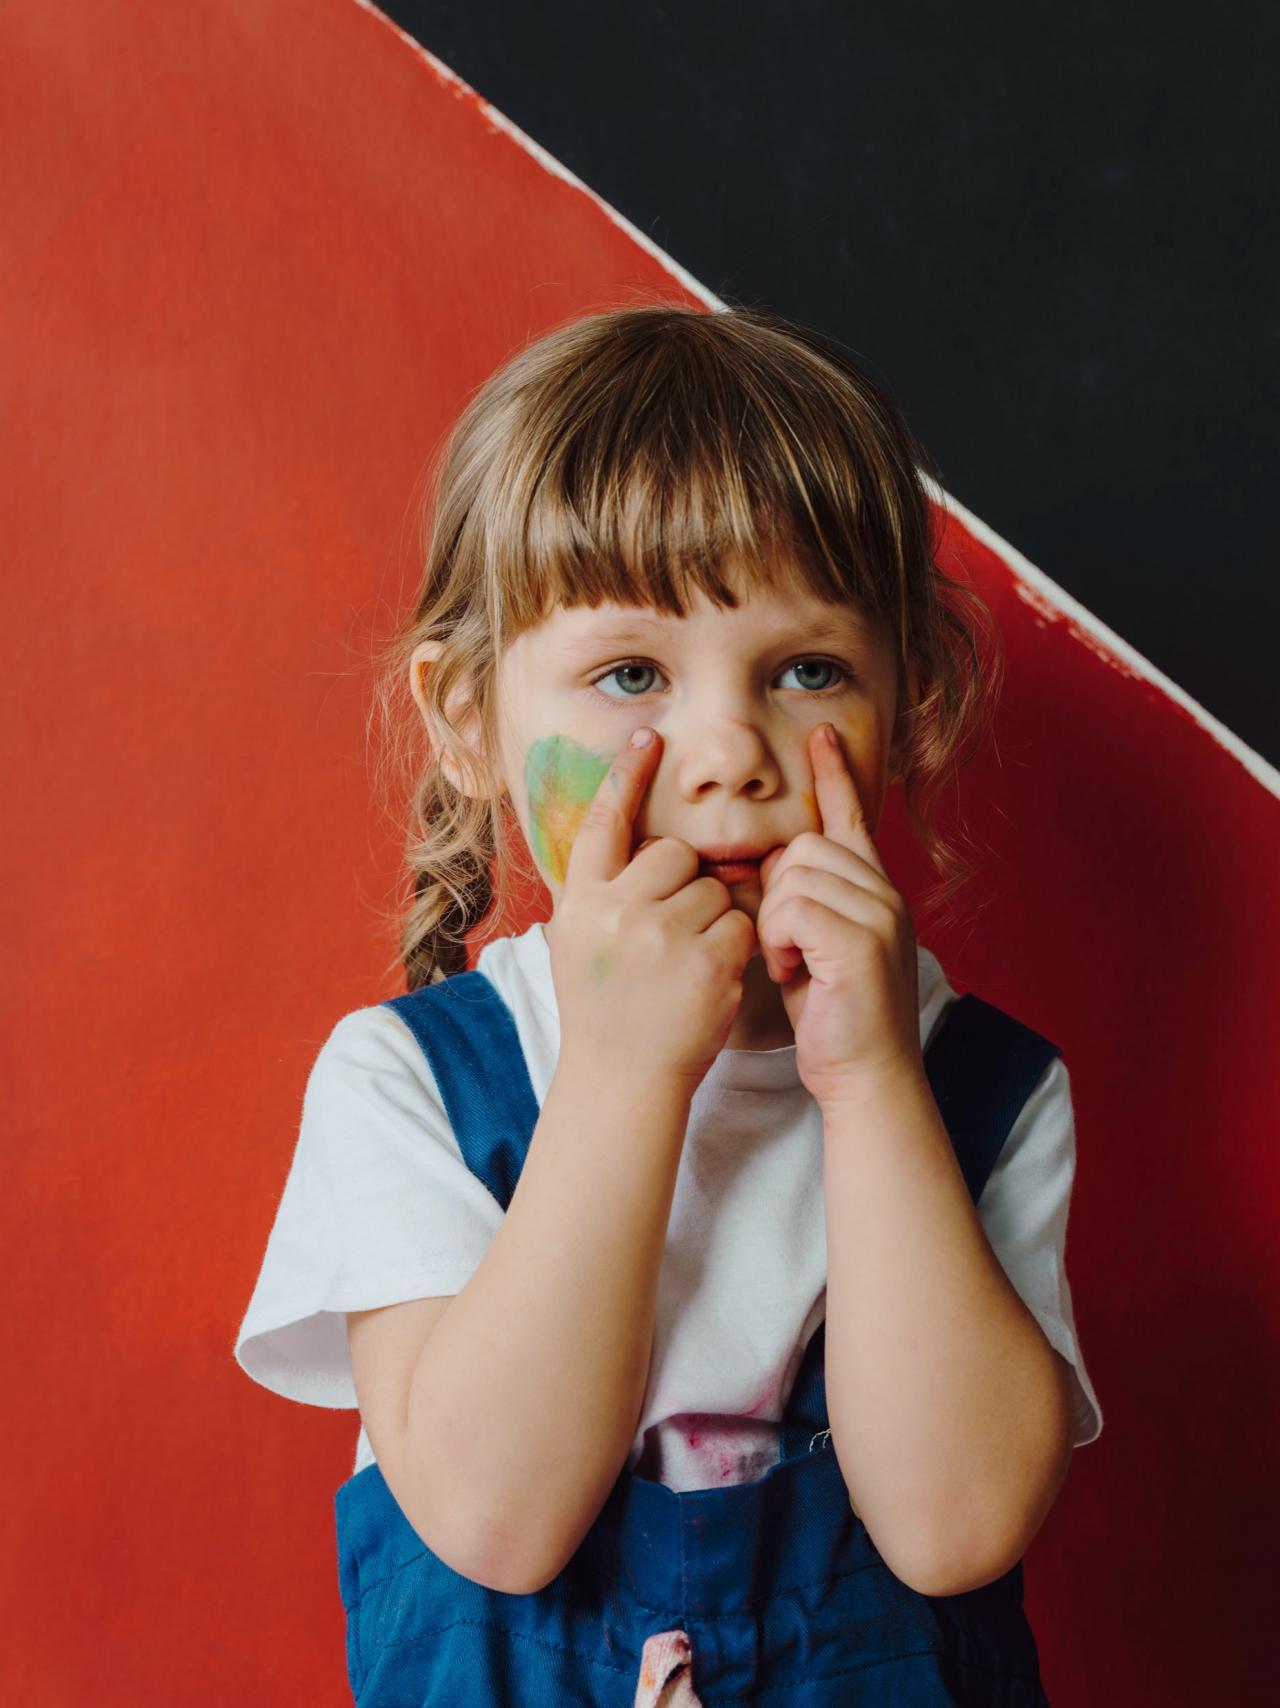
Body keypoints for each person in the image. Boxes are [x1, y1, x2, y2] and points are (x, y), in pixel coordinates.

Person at [235, 301, 1103, 1705]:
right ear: (467, 721)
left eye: (807, 670)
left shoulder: (980, 1089)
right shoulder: (408, 1087)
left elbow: (957, 1530)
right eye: (631, 673)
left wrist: (871, 1083)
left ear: (914, 700)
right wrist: (621, 1076)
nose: (728, 752)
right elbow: (493, 1522)